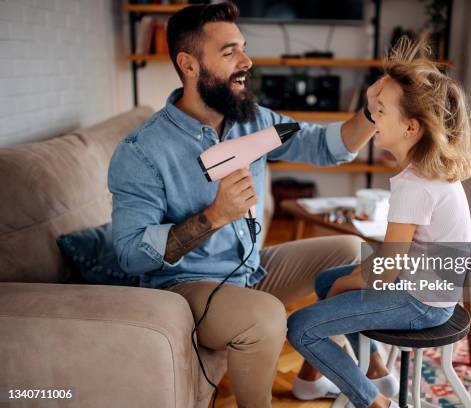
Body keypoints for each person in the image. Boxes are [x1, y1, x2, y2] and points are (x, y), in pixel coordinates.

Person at [107, 2, 383, 407]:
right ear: (188, 64)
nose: (247, 61)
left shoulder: (252, 121)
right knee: (266, 315)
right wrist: (214, 216)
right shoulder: (141, 152)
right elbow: (131, 256)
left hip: (251, 272)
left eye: (244, 48)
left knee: (354, 254)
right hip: (187, 288)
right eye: (229, 52)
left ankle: (318, 374)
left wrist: (373, 110)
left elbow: (326, 145)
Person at [287, 36, 471, 408]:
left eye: (381, 110)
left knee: (300, 327)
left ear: (410, 128)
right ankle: (372, 366)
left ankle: (374, 402)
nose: (373, 116)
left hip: (421, 301)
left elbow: (384, 272)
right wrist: (344, 281)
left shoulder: (413, 186)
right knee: (325, 280)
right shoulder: (429, 169)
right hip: (430, 286)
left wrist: (348, 282)